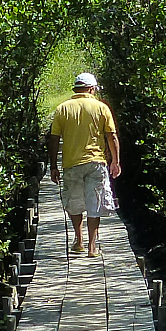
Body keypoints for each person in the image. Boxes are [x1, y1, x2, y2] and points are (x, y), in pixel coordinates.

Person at [46, 72, 121, 256]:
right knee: (94, 203)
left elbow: (54, 139)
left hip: (71, 163)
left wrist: (53, 166)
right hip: (96, 162)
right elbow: (111, 136)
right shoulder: (101, 107)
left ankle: (79, 241)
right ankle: (92, 247)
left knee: (74, 202)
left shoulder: (62, 109)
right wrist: (116, 162)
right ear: (91, 89)